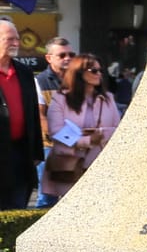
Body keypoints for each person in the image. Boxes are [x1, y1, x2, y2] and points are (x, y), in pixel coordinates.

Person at [39, 52, 121, 201]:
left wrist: (100, 134)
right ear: (79, 72)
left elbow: (119, 129)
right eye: (94, 71)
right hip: (69, 163)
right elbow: (55, 130)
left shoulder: (108, 98)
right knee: (69, 205)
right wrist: (87, 140)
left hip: (99, 163)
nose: (99, 74)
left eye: (100, 71)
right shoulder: (61, 98)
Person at [0, 21, 43, 210]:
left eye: (17, 39)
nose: (16, 43)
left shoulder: (24, 72)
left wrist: (36, 152)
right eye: (10, 39)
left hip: (20, 154)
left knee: (17, 207)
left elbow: (34, 114)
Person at [31, 37, 74, 207]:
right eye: (62, 55)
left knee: (75, 196)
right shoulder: (39, 81)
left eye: (71, 54)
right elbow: (41, 116)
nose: (68, 58)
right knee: (47, 198)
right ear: (49, 58)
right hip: (50, 147)